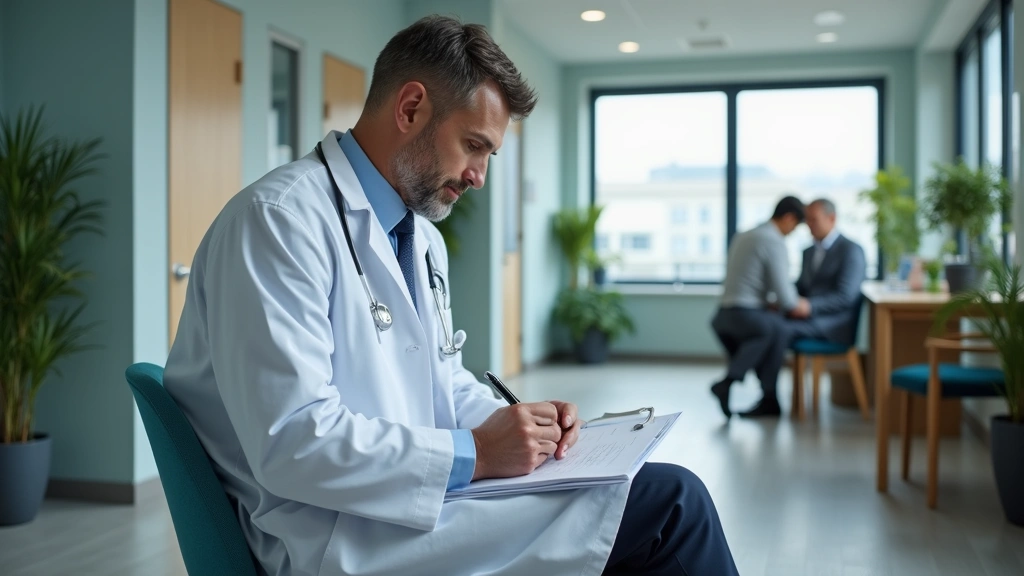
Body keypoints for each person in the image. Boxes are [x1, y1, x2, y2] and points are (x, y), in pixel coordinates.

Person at [163, 15, 738, 576]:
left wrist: (520, 426)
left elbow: (443, 382)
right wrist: (478, 453)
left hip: (409, 503)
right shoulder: (278, 221)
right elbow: (293, 442)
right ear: (411, 108)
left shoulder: (421, 240)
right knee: (671, 504)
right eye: (473, 145)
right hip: (333, 534)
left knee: (630, 502)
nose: (479, 176)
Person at [709, 196, 809, 418]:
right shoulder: (773, 240)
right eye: (795, 227)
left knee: (771, 330)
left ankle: (763, 397)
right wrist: (801, 305)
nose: (792, 232)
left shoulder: (745, 234)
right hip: (745, 315)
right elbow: (786, 297)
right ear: (789, 218)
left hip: (724, 315)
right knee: (778, 331)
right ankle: (752, 391)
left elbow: (748, 280)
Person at [787, 198, 866, 346]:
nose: (808, 225)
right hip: (807, 319)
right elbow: (802, 286)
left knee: (776, 330)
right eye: (807, 220)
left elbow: (846, 296)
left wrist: (810, 306)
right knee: (766, 322)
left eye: (813, 220)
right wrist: (783, 297)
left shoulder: (851, 250)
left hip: (833, 324)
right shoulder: (808, 252)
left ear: (832, 218)